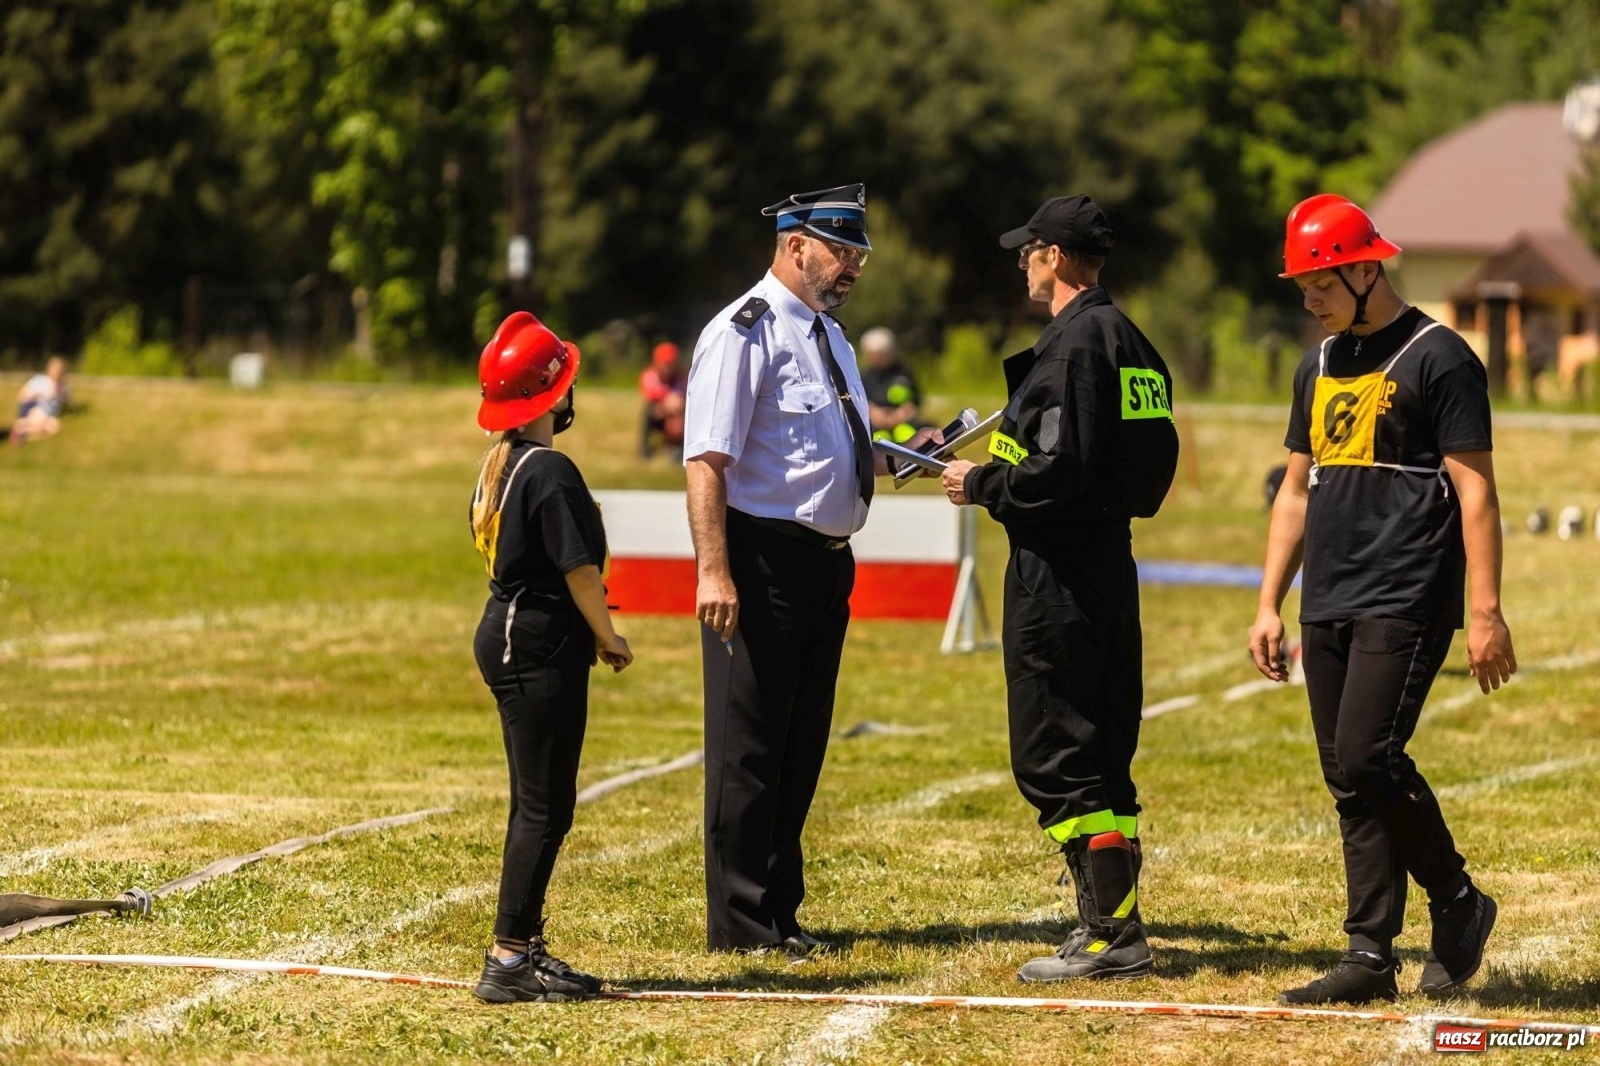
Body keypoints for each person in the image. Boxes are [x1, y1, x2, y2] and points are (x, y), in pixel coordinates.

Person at [1248, 194, 1515, 1006]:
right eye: (1302, 286)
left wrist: (1486, 611)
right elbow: (1295, 494)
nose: (1310, 299)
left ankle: (1459, 900)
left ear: (1367, 268)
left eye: (1320, 282)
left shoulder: (1442, 358)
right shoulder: (1319, 365)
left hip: (1407, 592)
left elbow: (1478, 496)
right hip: (1327, 594)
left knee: (1368, 754)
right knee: (1346, 775)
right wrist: (1268, 603)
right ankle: (1369, 954)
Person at [938, 195, 1178, 983]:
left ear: (1059, 255)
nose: (1021, 263)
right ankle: (1115, 925)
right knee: (1102, 750)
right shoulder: (1132, 343)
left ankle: (1110, 936)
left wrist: (983, 484)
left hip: (1059, 575)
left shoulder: (1075, 346)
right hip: (1109, 567)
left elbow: (1060, 471)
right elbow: (1144, 468)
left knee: (1056, 752)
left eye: (1029, 249)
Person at [684, 183, 926, 960]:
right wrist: (714, 571)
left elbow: (836, 450)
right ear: (795, 245)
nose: (852, 266)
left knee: (799, 745)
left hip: (827, 564)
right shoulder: (744, 332)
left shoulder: (831, 337)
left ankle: (780, 912)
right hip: (760, 560)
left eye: (857, 253)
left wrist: (913, 455)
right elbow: (707, 462)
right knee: (748, 748)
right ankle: (743, 924)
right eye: (841, 250)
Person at [468, 311, 634, 1004]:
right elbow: (579, 573)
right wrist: (609, 635)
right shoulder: (551, 470)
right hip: (538, 641)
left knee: (543, 803)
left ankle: (522, 945)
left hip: (513, 634)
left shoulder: (505, 463)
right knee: (543, 807)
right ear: (551, 395)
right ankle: (509, 957)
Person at [858, 327, 922, 443]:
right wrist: (874, 414)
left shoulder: (904, 373)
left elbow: (915, 401)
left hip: (903, 424)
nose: (877, 358)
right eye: (873, 354)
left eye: (881, 354)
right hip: (876, 427)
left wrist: (900, 415)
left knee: (910, 438)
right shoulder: (862, 377)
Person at [639, 341, 687, 459]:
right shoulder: (650, 375)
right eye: (665, 363)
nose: (668, 367)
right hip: (658, 414)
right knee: (648, 411)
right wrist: (668, 402)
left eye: (671, 363)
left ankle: (677, 448)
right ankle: (646, 448)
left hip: (677, 415)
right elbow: (651, 394)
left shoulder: (683, 377)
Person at [10, 357, 70, 445]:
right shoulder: (41, 381)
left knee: (54, 427)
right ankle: (20, 431)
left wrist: (61, 390)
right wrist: (32, 398)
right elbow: (24, 395)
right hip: (36, 409)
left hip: (49, 414)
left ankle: (24, 433)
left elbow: (67, 399)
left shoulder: (62, 387)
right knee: (37, 423)